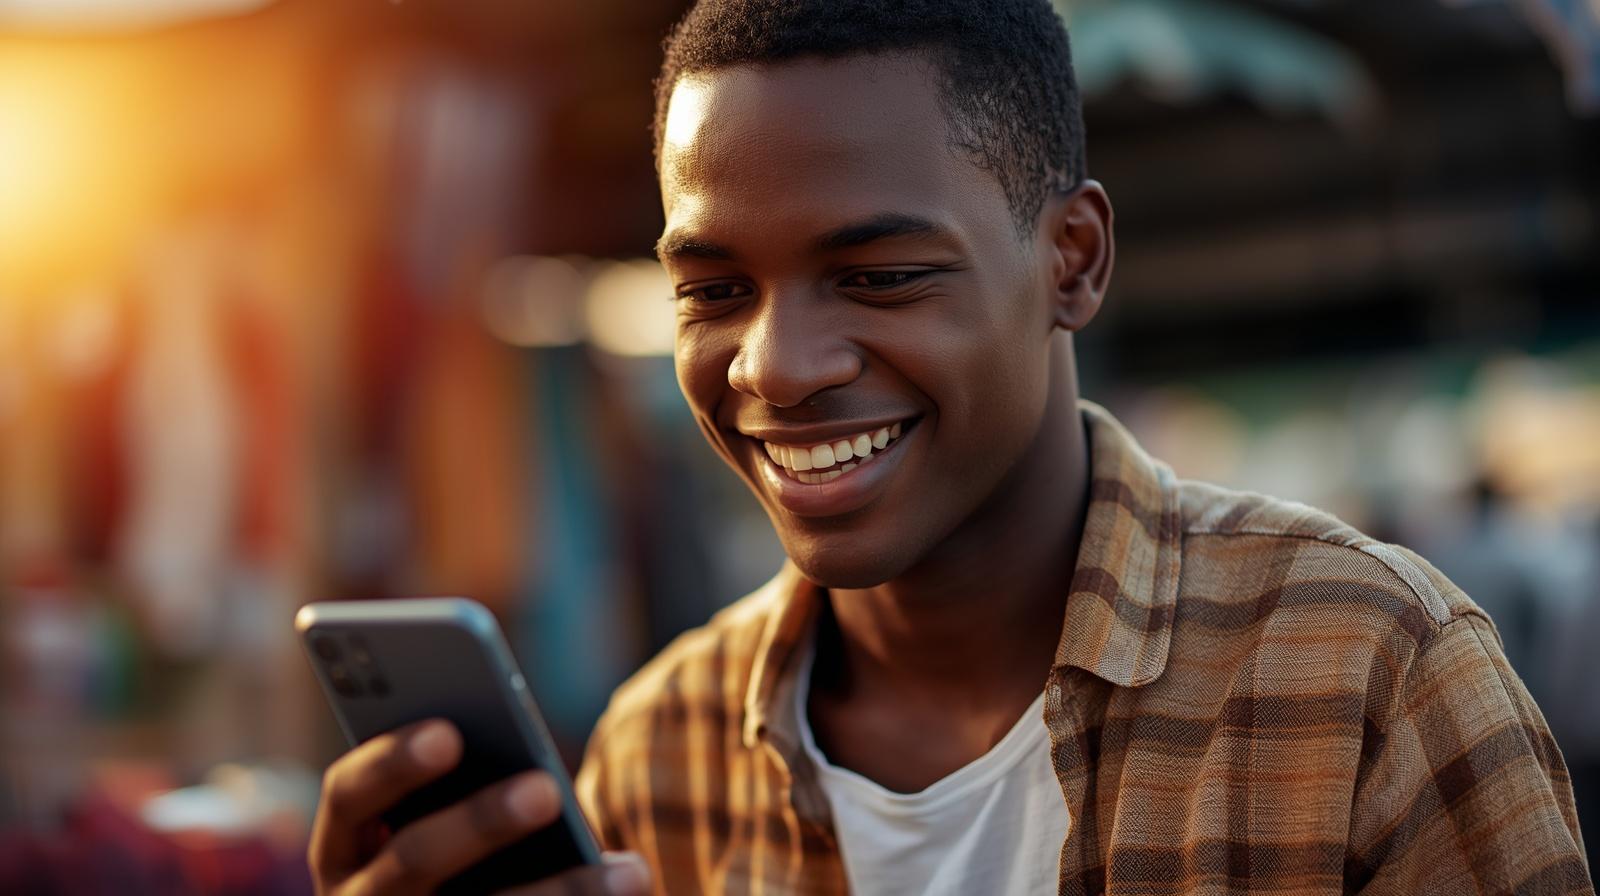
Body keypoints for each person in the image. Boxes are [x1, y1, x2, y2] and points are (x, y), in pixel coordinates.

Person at [306, 1, 1593, 893]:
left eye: (878, 275)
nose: (772, 365)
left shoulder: (1368, 670)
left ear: (1071, 260)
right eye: (711, 290)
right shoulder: (662, 751)